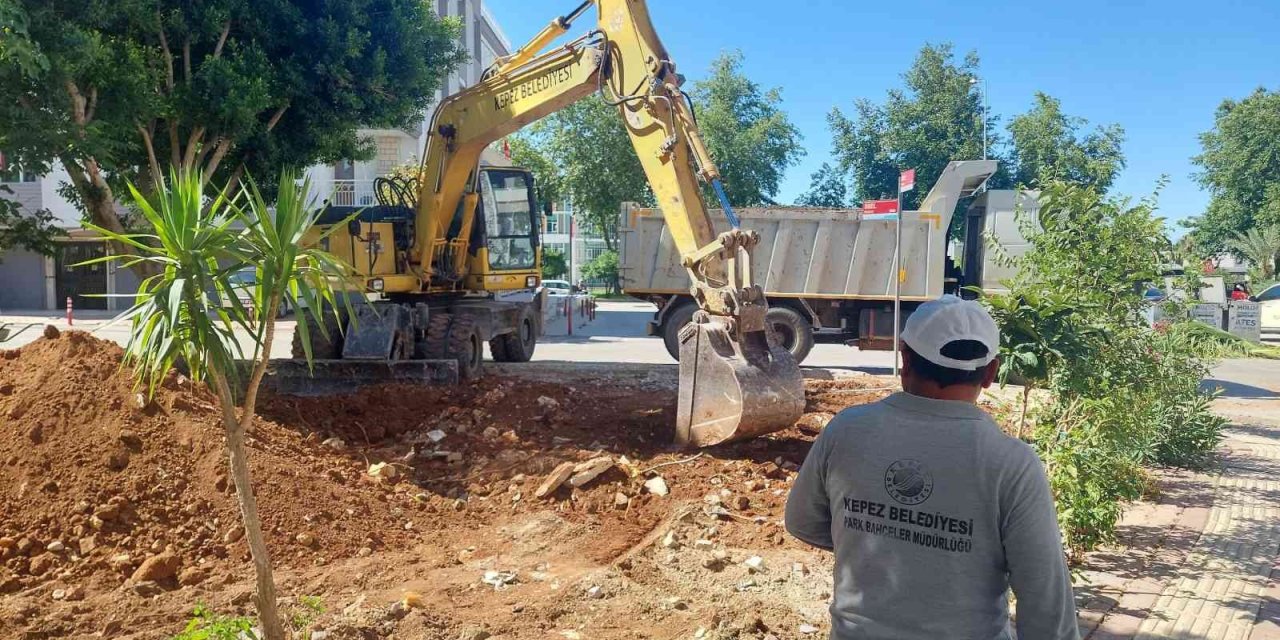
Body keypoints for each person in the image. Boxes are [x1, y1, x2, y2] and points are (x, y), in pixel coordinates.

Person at [785, 295, 1077, 640]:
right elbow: (1045, 603)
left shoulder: (846, 430)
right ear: (990, 373)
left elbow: (802, 522)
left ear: (904, 357)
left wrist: (885, 539)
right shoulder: (1010, 463)